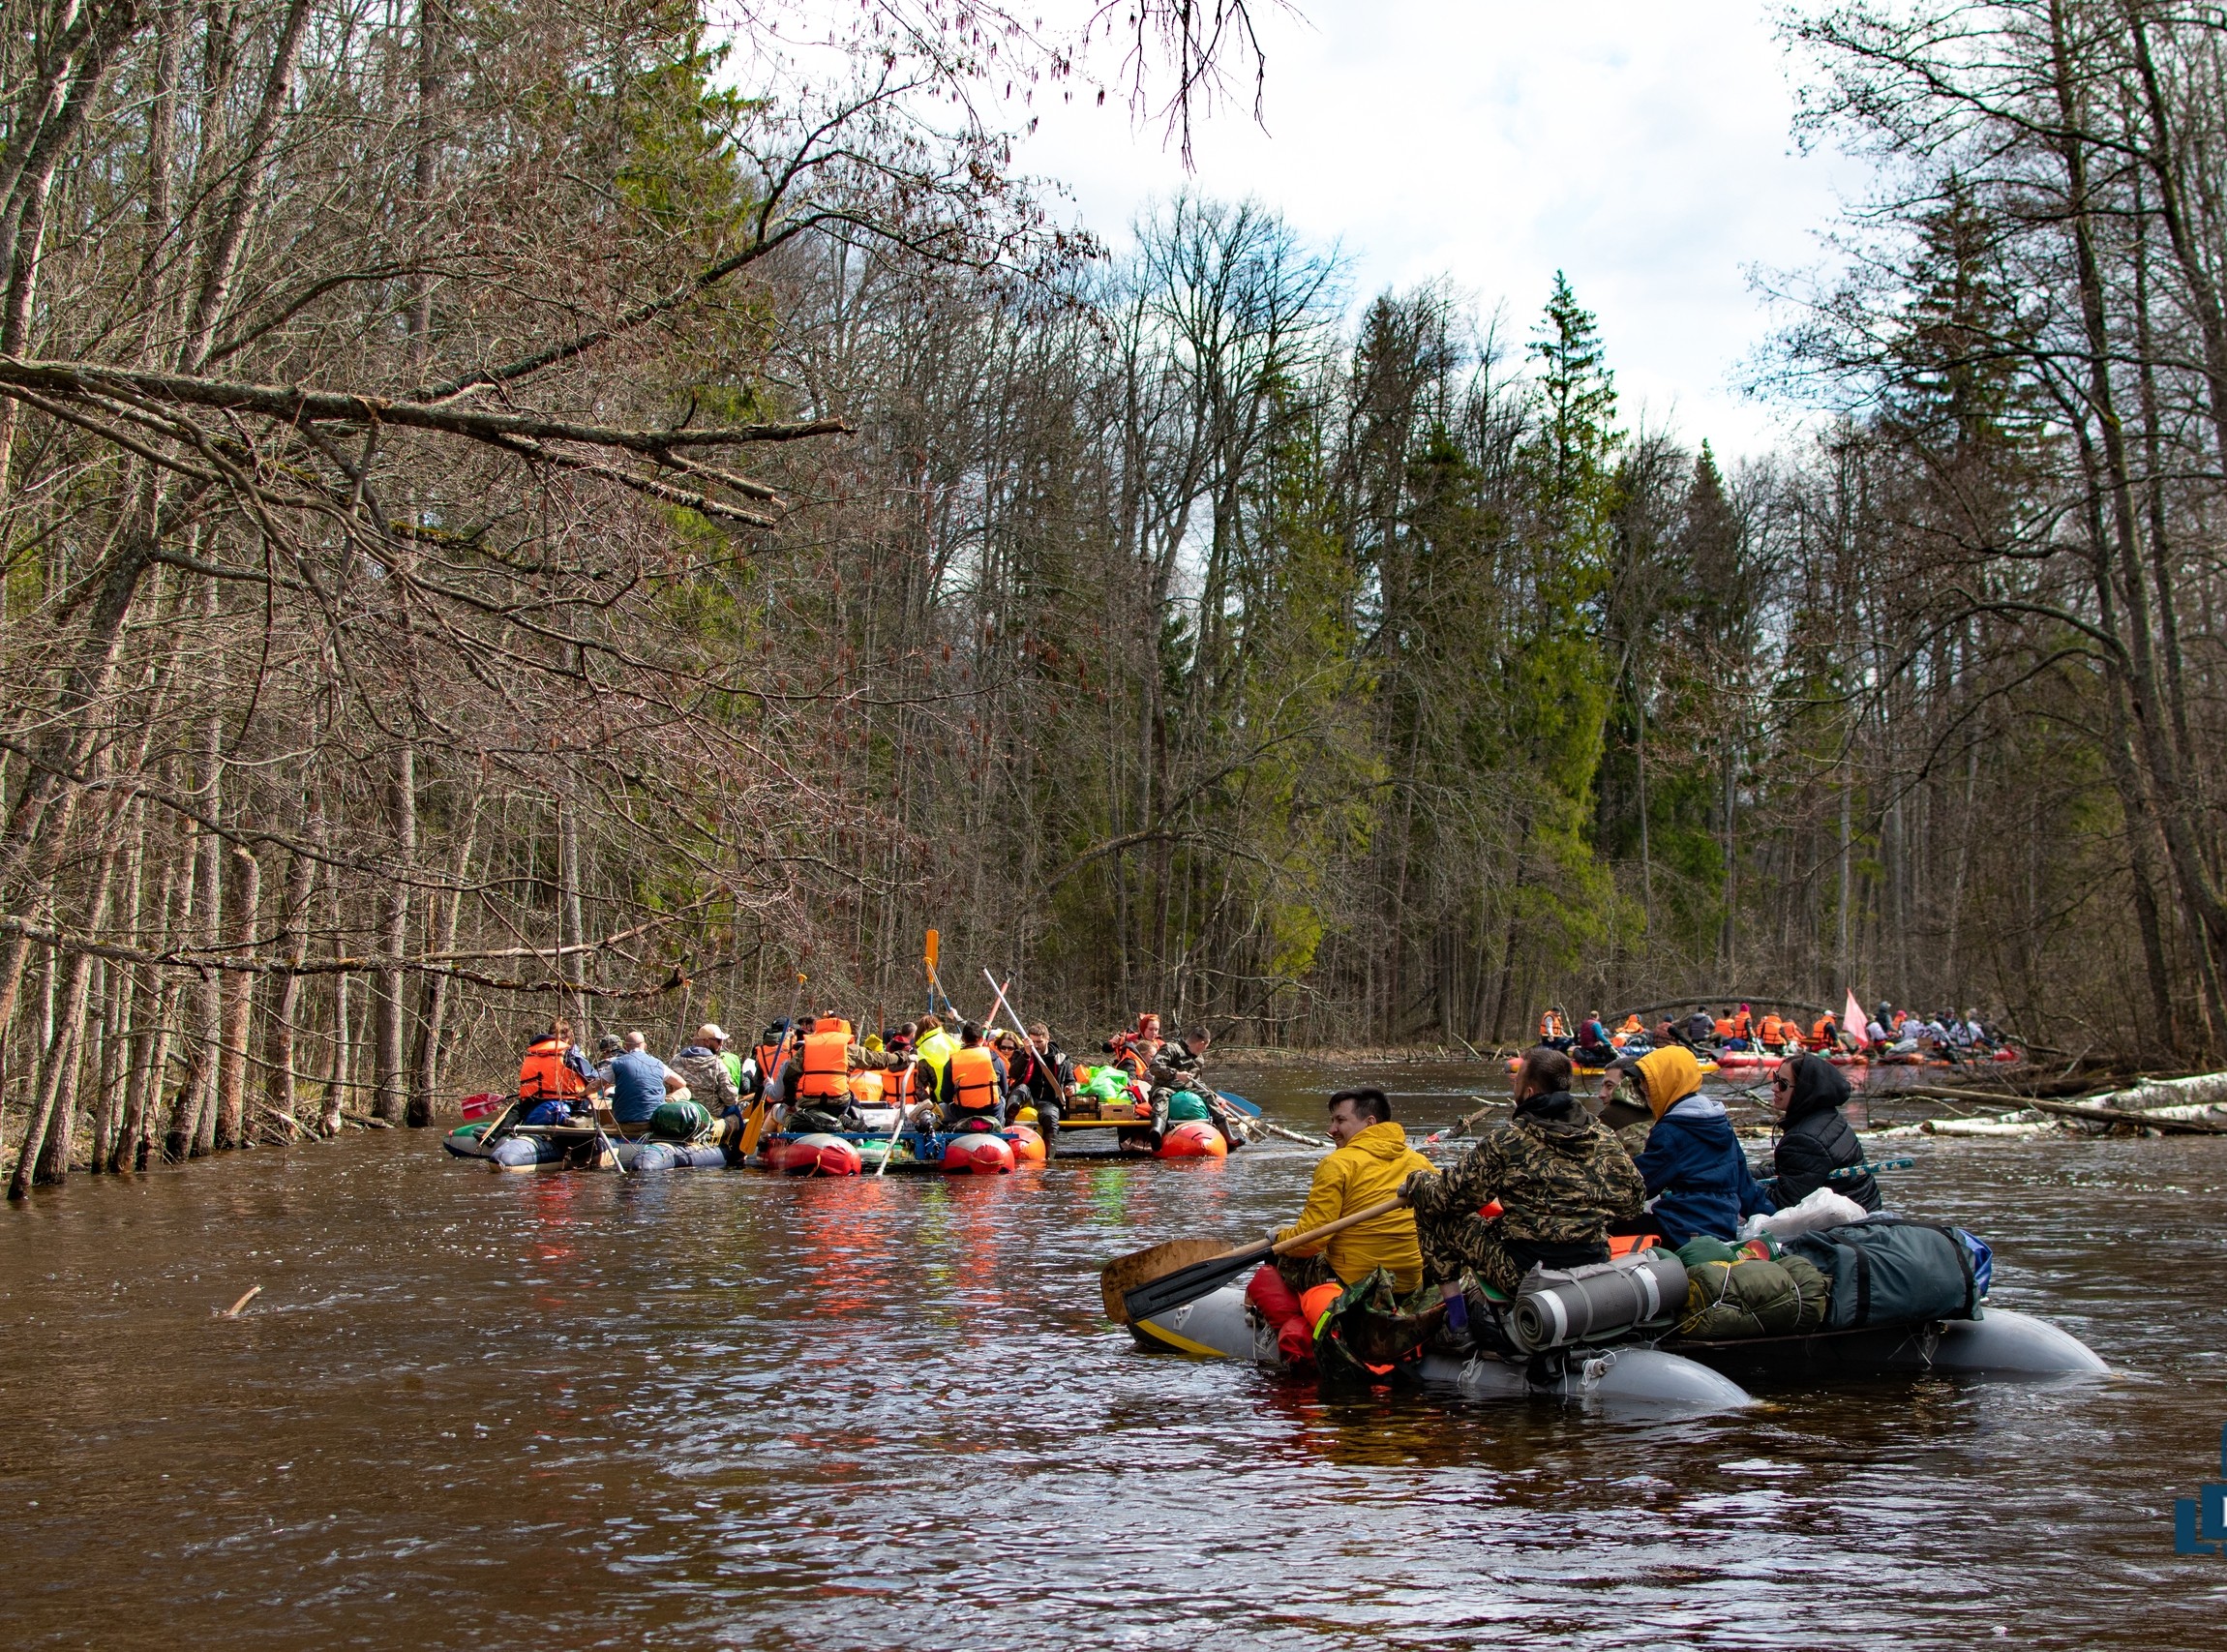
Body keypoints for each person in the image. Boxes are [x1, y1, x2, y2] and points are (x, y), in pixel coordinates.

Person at [1402, 1047, 1645, 1297]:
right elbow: (1633, 1205)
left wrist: (1418, 1180)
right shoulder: (1602, 1135)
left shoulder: (1507, 1140)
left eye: (1516, 1081)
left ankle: (1455, 1314)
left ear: (1529, 1092)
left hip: (1524, 1274)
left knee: (1434, 1212)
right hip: (1593, 1263)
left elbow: (1446, 1198)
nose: (1513, 1088)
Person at [1243, 1090, 1433, 1365]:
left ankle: (1280, 1323)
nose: (1331, 1129)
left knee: (1282, 1257)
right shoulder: (1420, 1163)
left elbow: (1309, 1242)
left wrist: (1278, 1237)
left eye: (1340, 1120)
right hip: (1407, 1284)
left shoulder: (1337, 1163)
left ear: (1369, 1122)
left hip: (1356, 1286)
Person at [1610, 1045, 1773, 1246]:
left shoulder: (1671, 1131)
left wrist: (1592, 1187)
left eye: (1648, 1083)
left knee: (1603, 1223)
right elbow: (1745, 1184)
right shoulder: (1720, 1123)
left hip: (1681, 1229)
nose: (1644, 1089)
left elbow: (1638, 1184)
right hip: (1723, 1226)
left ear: (1669, 1082)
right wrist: (1771, 1220)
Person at [1762, 1054, 1881, 1212]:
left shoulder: (1804, 1140)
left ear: (1804, 1090)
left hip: (1846, 1222)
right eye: (1776, 1078)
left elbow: (1782, 1204)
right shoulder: (1829, 1117)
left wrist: (1742, 1186)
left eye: (1783, 1084)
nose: (1775, 1087)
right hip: (1866, 1208)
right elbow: (1794, 1170)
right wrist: (1746, 1174)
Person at [516, 1018, 601, 1125]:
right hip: (570, 1102)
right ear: (568, 1036)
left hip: (533, 1102)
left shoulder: (533, 1052)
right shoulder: (570, 1053)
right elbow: (591, 1077)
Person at [607, 1030, 687, 1128]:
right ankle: (668, 1102)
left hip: (624, 1123)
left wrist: (587, 1091)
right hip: (653, 1123)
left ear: (625, 1047)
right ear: (645, 1046)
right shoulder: (658, 1064)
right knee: (685, 1090)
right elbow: (682, 1083)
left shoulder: (616, 1063)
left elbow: (596, 1086)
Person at [936, 1021, 1008, 1130]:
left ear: (963, 1039)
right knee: (1002, 1099)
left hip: (963, 1113)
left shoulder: (952, 1062)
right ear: (981, 1039)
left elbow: (945, 1097)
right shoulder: (995, 1058)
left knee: (940, 1109)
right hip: (992, 1112)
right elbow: (1004, 1090)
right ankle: (1002, 1130)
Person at [669, 1023, 739, 1129]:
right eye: (719, 1041)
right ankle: (740, 1140)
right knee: (736, 1111)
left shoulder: (676, 1060)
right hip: (709, 1112)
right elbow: (730, 1098)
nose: (721, 1044)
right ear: (707, 1041)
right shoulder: (717, 1064)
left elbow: (666, 1087)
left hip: (679, 1109)